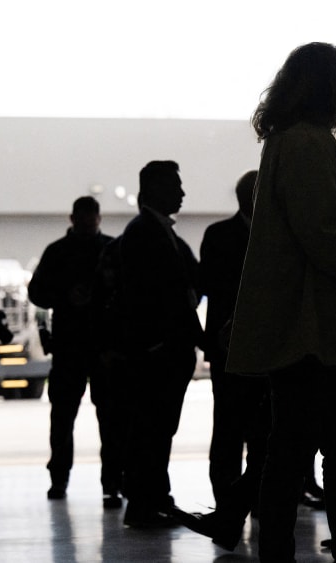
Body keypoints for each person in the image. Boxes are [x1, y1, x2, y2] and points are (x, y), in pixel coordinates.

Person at [225, 42, 336, 563]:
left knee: (293, 444)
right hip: (315, 330)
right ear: (329, 86)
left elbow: (322, 229)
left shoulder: (292, 142)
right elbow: (322, 236)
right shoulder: (306, 145)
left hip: (306, 328)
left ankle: (286, 548)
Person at [117, 161, 203, 528]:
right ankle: (145, 502)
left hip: (162, 351)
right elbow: (157, 297)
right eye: (175, 186)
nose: (182, 193)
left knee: (155, 430)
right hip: (158, 354)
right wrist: (158, 343)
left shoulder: (152, 231)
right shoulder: (146, 234)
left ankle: (151, 499)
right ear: (155, 189)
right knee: (152, 430)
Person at [27, 196, 120, 506]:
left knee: (68, 417)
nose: (88, 223)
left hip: (73, 345)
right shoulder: (109, 249)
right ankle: (110, 483)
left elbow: (38, 292)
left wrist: (64, 297)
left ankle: (63, 480)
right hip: (98, 347)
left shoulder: (59, 252)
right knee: (104, 418)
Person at [199, 170, 270, 507]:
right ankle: (227, 500)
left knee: (257, 430)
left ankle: (250, 499)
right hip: (234, 349)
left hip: (253, 349)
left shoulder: (219, 235)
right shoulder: (229, 235)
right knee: (229, 429)